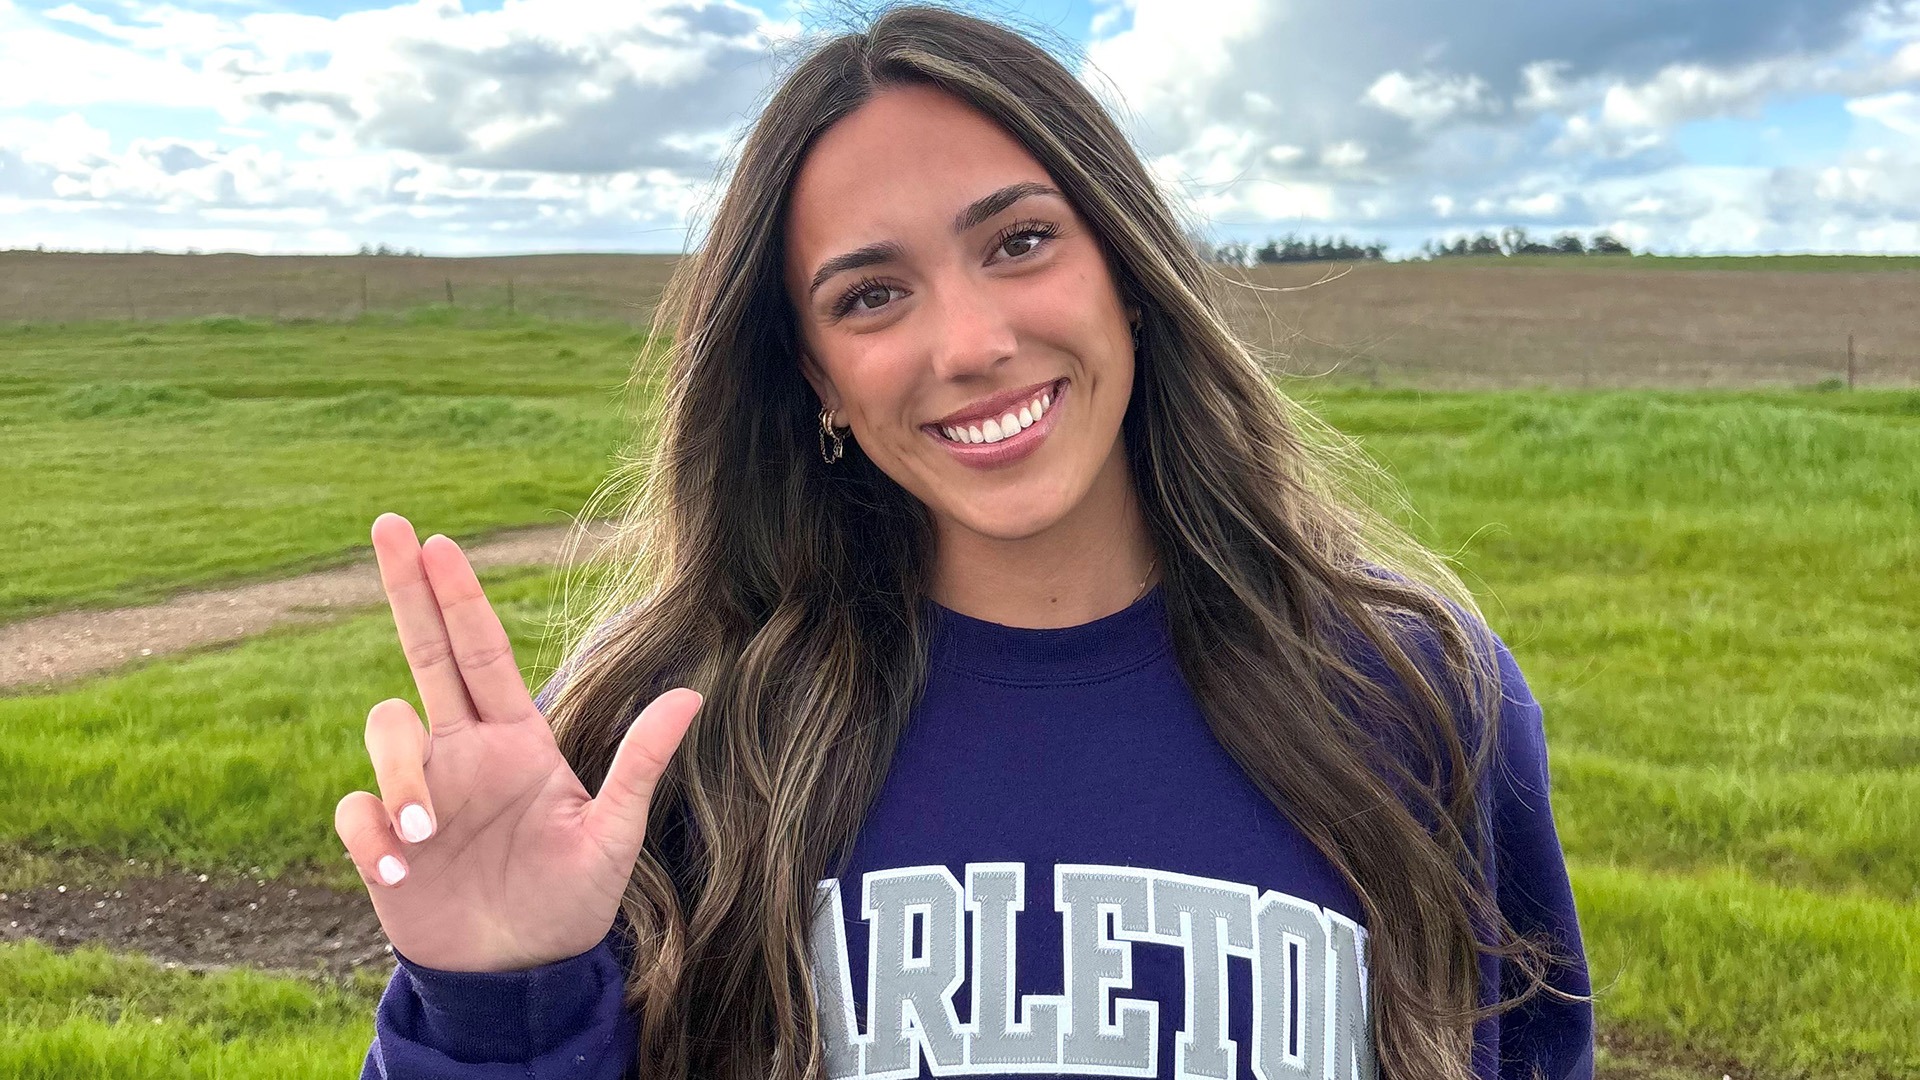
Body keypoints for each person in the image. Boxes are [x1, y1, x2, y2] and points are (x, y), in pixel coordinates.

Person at [335, 6, 1594, 1079]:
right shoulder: (663, 743)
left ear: (1128, 269)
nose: (971, 343)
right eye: (871, 295)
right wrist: (501, 1002)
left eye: (1021, 241)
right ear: (814, 375)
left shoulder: (1419, 695)